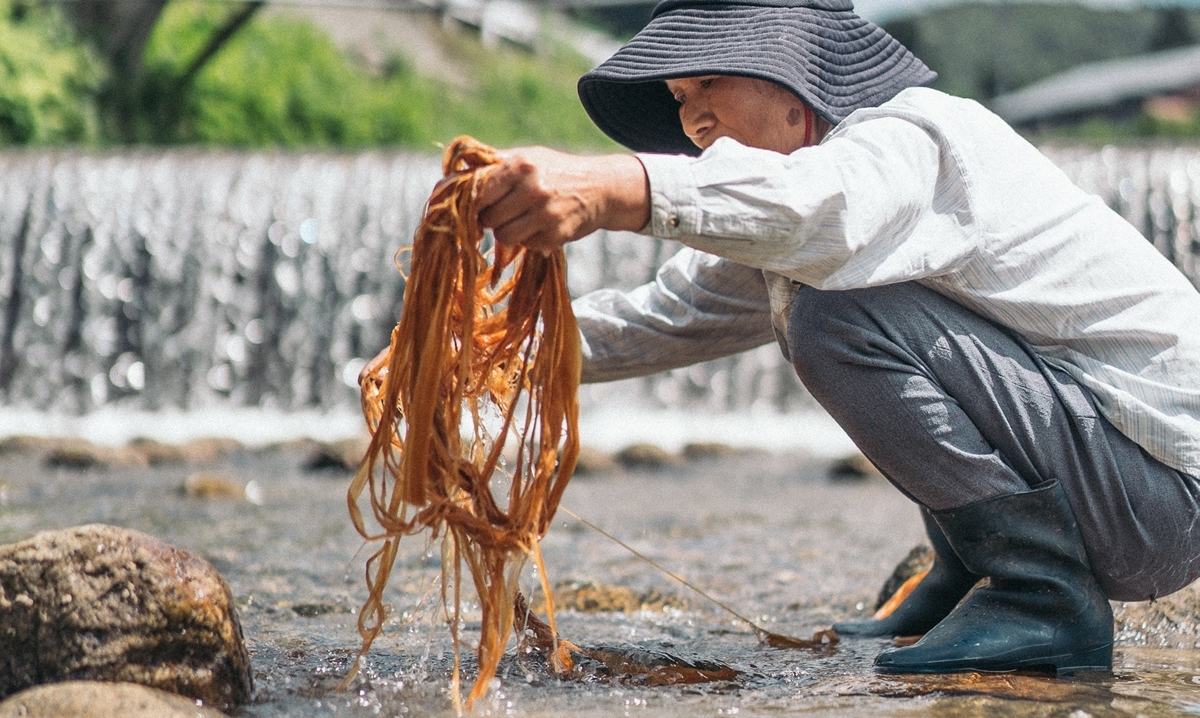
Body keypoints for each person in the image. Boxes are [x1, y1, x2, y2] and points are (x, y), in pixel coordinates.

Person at [471, 0, 1200, 674]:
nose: (692, 118)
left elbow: (823, 213)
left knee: (835, 311)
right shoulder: (804, 204)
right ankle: (970, 573)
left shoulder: (912, 140)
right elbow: (671, 317)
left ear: (794, 81)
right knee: (835, 288)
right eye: (680, 99)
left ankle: (1042, 593)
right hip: (1117, 481)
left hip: (1161, 491)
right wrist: (473, 358)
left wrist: (610, 189)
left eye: (709, 82)